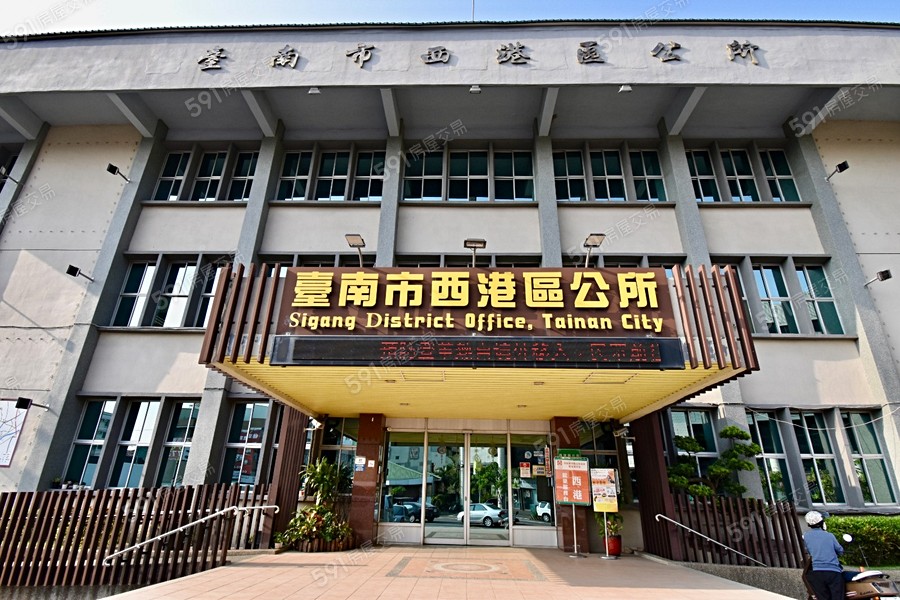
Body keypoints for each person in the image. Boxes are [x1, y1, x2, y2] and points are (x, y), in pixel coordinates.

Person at [802, 510, 845, 600]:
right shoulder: (829, 536)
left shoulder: (806, 536)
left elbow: (808, 551)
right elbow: (840, 550)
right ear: (821, 522)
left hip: (817, 571)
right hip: (833, 571)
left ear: (809, 524)